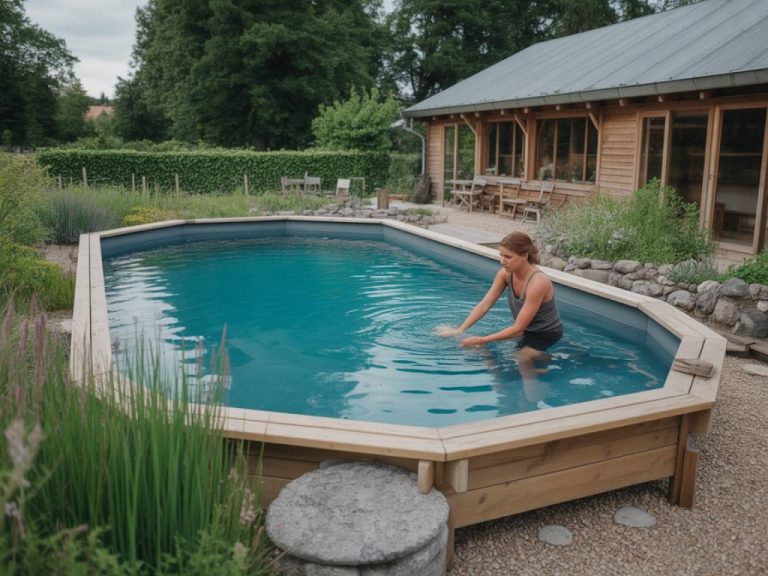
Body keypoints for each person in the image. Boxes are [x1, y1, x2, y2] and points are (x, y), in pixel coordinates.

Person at [437, 231, 563, 386]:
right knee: (489, 352)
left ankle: (531, 399)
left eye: (508, 257)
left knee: (521, 358)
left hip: (546, 333)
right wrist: (460, 329)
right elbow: (484, 305)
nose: (502, 261)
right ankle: (537, 359)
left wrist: (482, 339)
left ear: (524, 256)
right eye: (501, 255)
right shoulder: (505, 274)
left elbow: (518, 328)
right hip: (526, 331)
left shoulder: (538, 282)